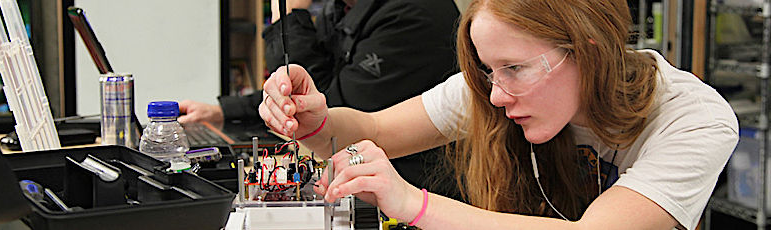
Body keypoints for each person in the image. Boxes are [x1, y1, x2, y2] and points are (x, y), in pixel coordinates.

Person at [258, 0, 739, 229]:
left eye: (514, 69)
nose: (495, 95)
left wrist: (413, 204)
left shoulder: (691, 117)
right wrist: (315, 121)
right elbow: (378, 130)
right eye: (489, 71)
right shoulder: (497, 85)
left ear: (588, 51)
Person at [179, 0, 463, 199]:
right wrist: (223, 112)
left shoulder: (413, 13)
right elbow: (313, 99)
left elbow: (338, 101)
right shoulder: (342, 9)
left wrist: (287, 14)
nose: (496, 90)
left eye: (509, 67)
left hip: (421, 188)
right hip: (366, 181)